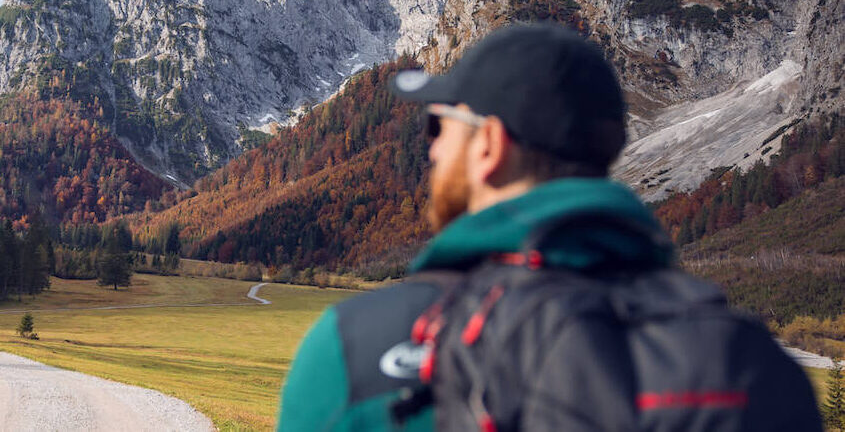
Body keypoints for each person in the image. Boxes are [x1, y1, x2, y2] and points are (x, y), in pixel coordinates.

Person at [278, 23, 822, 431]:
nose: (433, 146)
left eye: (439, 124)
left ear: (488, 145)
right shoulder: (757, 365)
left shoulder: (357, 348)